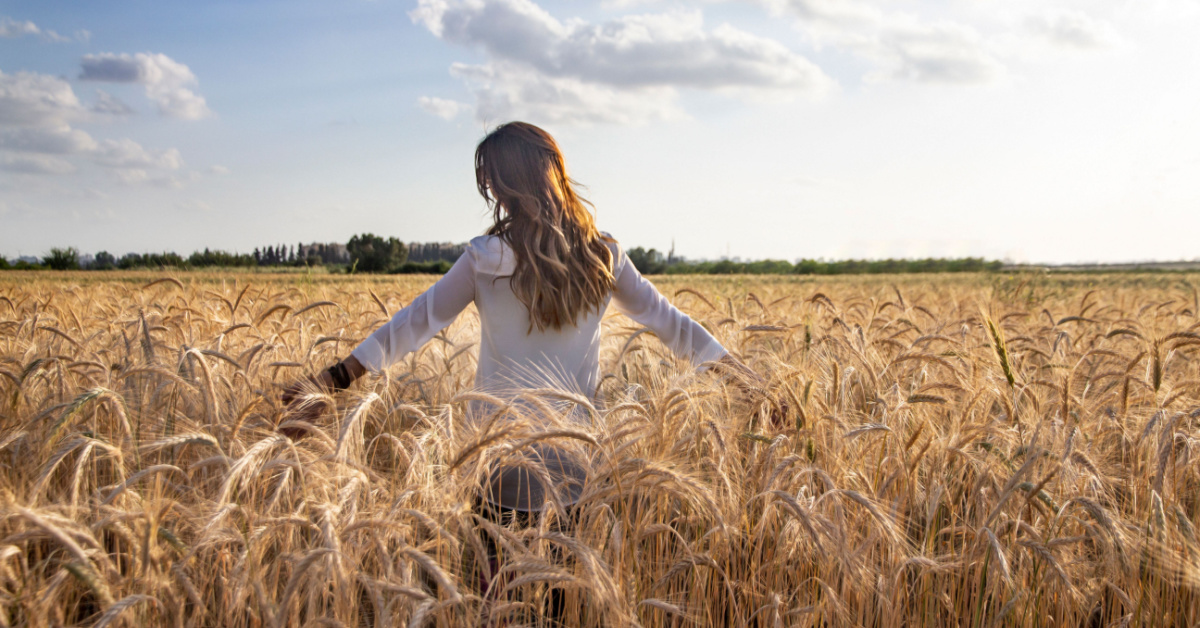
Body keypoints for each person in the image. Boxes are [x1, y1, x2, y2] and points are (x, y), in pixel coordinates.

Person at [281, 120, 767, 520]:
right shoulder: (603, 256)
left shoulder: (485, 257)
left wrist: (333, 378)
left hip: (496, 457)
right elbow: (675, 327)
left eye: (490, 178)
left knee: (497, 597)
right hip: (576, 459)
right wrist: (749, 382)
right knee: (558, 600)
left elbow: (414, 323)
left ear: (505, 183)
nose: (488, 187)